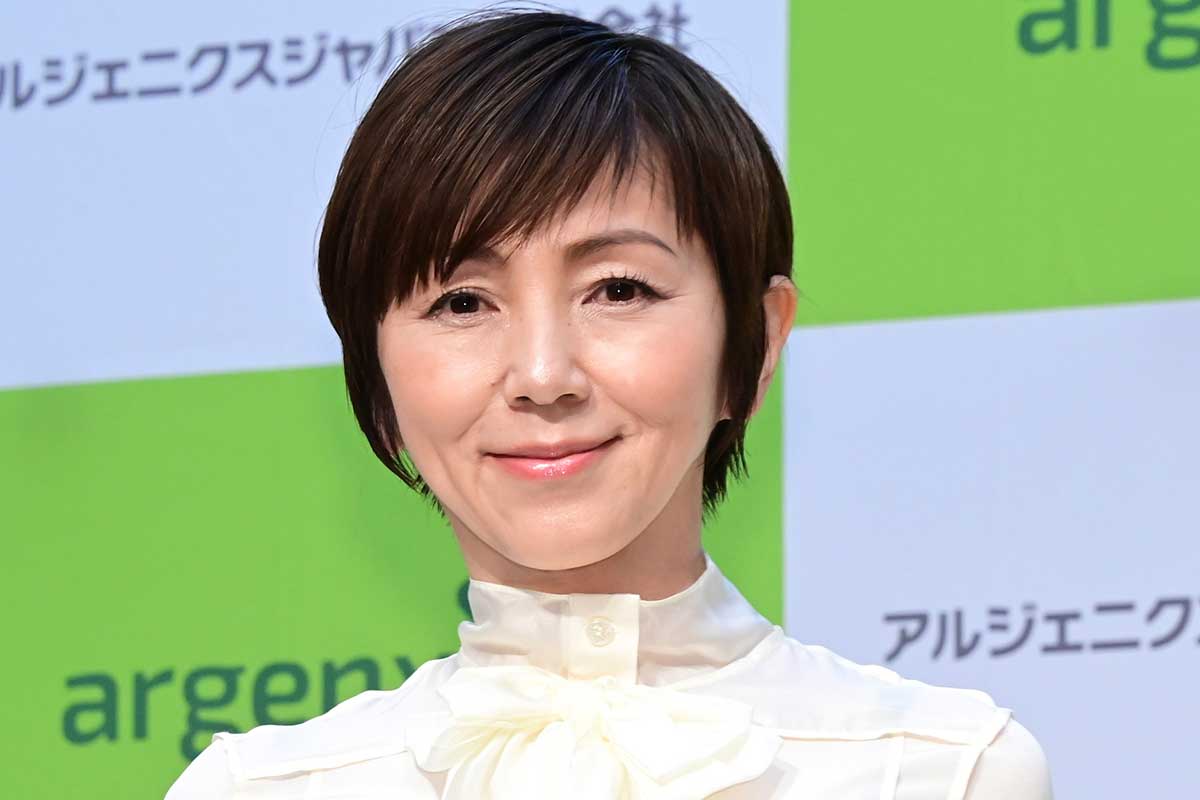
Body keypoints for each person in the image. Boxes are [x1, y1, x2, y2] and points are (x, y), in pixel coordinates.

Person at [166, 9, 1052, 799]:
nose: (542, 373)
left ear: (756, 342)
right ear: (375, 369)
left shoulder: (946, 772)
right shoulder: (258, 791)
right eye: (463, 302)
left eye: (619, 289)